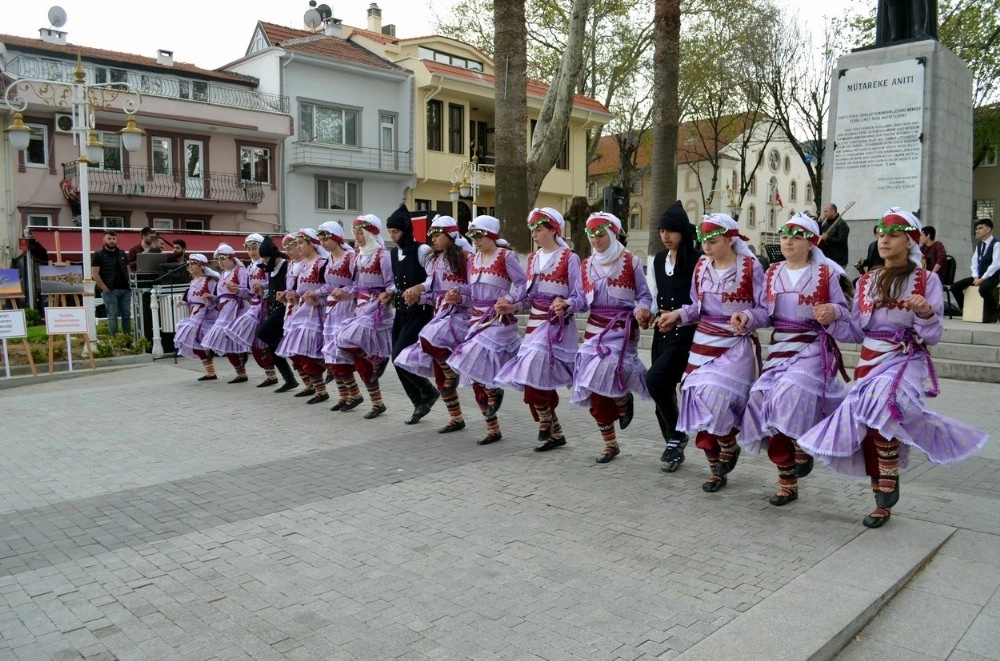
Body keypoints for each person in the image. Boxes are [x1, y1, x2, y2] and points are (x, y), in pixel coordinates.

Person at [797, 208, 988, 528]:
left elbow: (934, 334)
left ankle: (888, 475)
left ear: (910, 240)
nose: (884, 240)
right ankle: (882, 495)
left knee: (885, 402)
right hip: (871, 361)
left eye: (893, 235)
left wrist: (926, 313)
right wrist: (832, 320)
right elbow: (857, 331)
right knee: (871, 424)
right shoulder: (867, 281)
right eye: (880, 234)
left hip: (904, 359)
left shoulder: (926, 280)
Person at [739, 213, 855, 506]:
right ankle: (787, 474)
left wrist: (832, 312)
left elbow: (845, 314)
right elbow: (765, 313)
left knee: (787, 393)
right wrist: (748, 317)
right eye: (785, 235)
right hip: (780, 348)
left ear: (811, 242)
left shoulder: (826, 275)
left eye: (796, 235)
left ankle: (798, 450)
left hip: (812, 348)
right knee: (760, 396)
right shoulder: (772, 272)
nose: (788, 240)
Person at [658, 214, 768, 492]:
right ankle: (715, 469)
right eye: (704, 240)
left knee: (717, 396)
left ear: (730, 240)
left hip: (735, 345)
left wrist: (747, 316)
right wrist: (677, 315)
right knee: (696, 399)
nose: (706, 246)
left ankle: (728, 443)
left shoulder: (750, 267)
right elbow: (697, 307)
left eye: (714, 240)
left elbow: (766, 309)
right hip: (703, 343)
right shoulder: (701, 268)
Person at [496, 207, 587, 452]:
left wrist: (566, 304)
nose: (534, 234)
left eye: (539, 229)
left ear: (553, 230)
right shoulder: (534, 259)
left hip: (556, 325)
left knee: (532, 373)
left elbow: (581, 297)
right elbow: (528, 297)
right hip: (535, 324)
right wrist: (511, 306)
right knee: (533, 378)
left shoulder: (569, 257)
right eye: (533, 230)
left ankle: (547, 421)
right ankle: (555, 430)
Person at [571, 212, 653, 463]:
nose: (595, 240)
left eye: (600, 234)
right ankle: (610, 442)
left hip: (621, 329)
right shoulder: (586, 265)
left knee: (602, 370)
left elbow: (645, 295)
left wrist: (642, 309)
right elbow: (581, 300)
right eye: (591, 235)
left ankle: (622, 397)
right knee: (595, 386)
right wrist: (566, 304)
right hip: (595, 329)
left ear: (612, 233)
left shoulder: (631, 262)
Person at [448, 215, 527, 445]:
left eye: (480, 236)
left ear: (492, 235)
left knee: (471, 356)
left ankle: (495, 393)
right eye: (473, 236)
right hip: (476, 320)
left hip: (498, 321)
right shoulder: (472, 260)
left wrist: (509, 298)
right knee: (473, 375)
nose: (476, 240)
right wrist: (458, 297)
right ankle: (492, 427)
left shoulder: (506, 256)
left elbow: (523, 285)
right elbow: (472, 296)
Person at [394, 216, 475, 433]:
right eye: (432, 235)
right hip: (441, 316)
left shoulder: (467, 259)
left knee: (429, 337)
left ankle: (493, 418)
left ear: (451, 235)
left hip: (461, 317)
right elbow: (436, 295)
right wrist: (418, 298)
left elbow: (478, 293)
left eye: (437, 235)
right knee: (441, 375)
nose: (433, 239)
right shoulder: (436, 261)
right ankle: (456, 417)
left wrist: (460, 298)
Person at [645, 201, 700, 472]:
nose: (665, 236)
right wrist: (648, 313)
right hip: (662, 332)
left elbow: (703, 301)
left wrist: (677, 315)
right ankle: (673, 446)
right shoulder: (657, 260)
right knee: (660, 391)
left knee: (655, 380)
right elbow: (655, 297)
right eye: (661, 230)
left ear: (682, 232)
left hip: (687, 334)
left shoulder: (698, 260)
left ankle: (677, 435)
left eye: (671, 230)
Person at [385, 205, 441, 425]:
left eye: (396, 231)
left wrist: (419, 288)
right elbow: (393, 281)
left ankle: (427, 392)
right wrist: (388, 292)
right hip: (401, 310)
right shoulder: (393, 253)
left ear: (406, 230)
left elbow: (433, 278)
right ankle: (420, 400)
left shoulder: (422, 250)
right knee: (396, 358)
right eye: (390, 231)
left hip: (421, 310)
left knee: (400, 355)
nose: (392, 235)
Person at [337, 214, 394, 419]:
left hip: (377, 310)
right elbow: (356, 285)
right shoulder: (358, 256)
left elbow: (392, 283)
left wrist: (388, 294)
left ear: (371, 233)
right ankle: (377, 402)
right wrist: (344, 292)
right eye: (355, 232)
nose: (357, 236)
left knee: (347, 338)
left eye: (360, 232)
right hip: (360, 308)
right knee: (354, 355)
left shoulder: (382, 255)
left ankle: (377, 358)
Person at [314, 221, 364, 412]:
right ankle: (345, 395)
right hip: (331, 309)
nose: (323, 242)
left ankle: (355, 394)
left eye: (326, 238)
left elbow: (359, 285)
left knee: (339, 353)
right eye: (321, 239)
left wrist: (345, 292)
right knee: (331, 356)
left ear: (336, 237)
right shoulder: (328, 260)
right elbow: (328, 285)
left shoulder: (351, 258)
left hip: (346, 308)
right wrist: (316, 293)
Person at [276, 229, 331, 404]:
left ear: (312, 244)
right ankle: (317, 388)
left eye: (300, 243)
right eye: (297, 243)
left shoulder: (322, 263)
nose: (298, 247)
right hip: (302, 312)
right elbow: (301, 290)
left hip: (317, 314)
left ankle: (326, 386)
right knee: (298, 352)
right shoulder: (304, 264)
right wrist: (292, 295)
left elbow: (331, 287)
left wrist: (318, 299)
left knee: (309, 354)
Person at [225, 234, 279, 387]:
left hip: (266, 306)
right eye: (248, 249)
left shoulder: (266, 264)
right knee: (256, 344)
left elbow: (274, 286)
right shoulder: (250, 267)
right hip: (254, 307)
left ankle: (276, 374)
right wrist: (237, 290)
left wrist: (263, 290)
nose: (251, 252)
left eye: (254, 248)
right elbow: (249, 292)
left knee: (264, 342)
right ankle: (270, 375)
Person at [200, 244, 251, 383]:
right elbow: (221, 295)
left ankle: (243, 357)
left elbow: (247, 292)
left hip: (237, 309)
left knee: (233, 338)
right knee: (225, 341)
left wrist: (236, 290)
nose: (220, 262)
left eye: (223, 258)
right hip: (224, 309)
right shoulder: (223, 275)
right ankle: (241, 373)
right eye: (218, 259)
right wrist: (213, 297)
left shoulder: (240, 271)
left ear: (231, 258)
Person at [254, 236, 299, 392]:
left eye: (266, 258)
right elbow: (272, 289)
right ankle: (289, 378)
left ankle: (293, 369)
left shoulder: (286, 266)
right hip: (273, 307)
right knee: (270, 341)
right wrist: (263, 290)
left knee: (264, 333)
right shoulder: (271, 269)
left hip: (285, 307)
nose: (265, 262)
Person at [173, 254, 220, 380]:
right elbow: (190, 297)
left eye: (193, 264)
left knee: (194, 337)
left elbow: (218, 297)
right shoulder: (193, 281)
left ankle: (214, 355)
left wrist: (211, 300)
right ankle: (210, 372)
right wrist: (183, 302)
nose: (190, 267)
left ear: (201, 266)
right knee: (195, 345)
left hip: (205, 317)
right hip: (194, 315)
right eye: (189, 264)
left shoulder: (209, 281)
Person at [952, 219, 999, 318]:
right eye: (976, 229)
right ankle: (966, 308)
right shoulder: (979, 245)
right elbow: (974, 263)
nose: (977, 231)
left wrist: (982, 279)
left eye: (980, 228)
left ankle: (996, 309)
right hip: (978, 277)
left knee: (983, 290)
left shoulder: (996, 244)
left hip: (992, 277)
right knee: (955, 287)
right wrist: (975, 277)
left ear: (988, 229)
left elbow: (996, 264)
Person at [91, 230, 132, 337]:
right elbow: (95, 273)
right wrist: (104, 288)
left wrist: (130, 283)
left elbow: (128, 270)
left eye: (114, 238)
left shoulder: (122, 253)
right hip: (110, 290)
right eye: (109, 238)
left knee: (126, 315)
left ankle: (127, 338)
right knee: (112, 315)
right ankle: (114, 339)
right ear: (104, 240)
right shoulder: (98, 255)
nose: (112, 241)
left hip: (125, 289)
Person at [818, 203, 850, 268]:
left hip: (838, 260)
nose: (824, 214)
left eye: (826, 211)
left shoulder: (841, 224)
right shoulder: (826, 223)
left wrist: (828, 238)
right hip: (827, 259)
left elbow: (842, 241)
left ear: (833, 211)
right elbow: (819, 234)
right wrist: (819, 223)